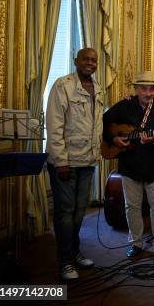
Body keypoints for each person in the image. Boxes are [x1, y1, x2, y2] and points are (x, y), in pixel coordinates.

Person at [103, 71, 154, 258]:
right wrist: (114, 139)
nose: (148, 92)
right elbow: (104, 120)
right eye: (143, 88)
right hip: (129, 165)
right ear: (135, 89)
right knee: (132, 206)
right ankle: (136, 243)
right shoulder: (124, 105)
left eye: (152, 89)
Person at [46, 48, 103, 280]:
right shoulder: (63, 85)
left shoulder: (98, 89)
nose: (90, 63)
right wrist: (60, 160)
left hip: (87, 160)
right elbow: (54, 125)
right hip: (66, 162)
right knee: (65, 213)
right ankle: (65, 261)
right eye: (86, 59)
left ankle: (75, 251)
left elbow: (96, 123)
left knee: (80, 211)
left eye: (94, 60)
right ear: (75, 61)